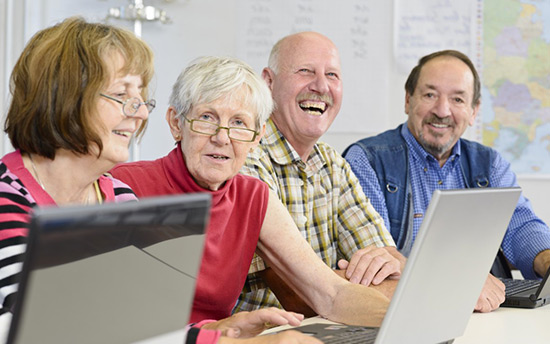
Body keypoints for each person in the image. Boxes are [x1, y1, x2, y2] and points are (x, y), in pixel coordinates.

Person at [110, 56, 395, 343]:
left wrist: (407, 321)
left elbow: (331, 293)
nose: (222, 138)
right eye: (207, 118)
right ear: (176, 124)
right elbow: (111, 321)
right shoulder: (124, 185)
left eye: (239, 123)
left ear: (256, 137)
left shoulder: (253, 197)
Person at [343, 49, 550, 313]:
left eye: (458, 99)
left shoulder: (489, 164)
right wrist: (459, 280)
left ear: (474, 111)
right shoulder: (367, 161)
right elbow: (377, 260)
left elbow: (522, 226)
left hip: (486, 313)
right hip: (407, 313)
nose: (442, 111)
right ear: (408, 100)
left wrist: (546, 259)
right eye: (430, 95)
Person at [234, 32, 405, 315]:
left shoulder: (332, 163)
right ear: (268, 82)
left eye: (332, 75)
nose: (321, 86)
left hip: (328, 328)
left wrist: (382, 273)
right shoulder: (244, 156)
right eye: (305, 71)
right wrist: (363, 287)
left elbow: (388, 265)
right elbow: (299, 296)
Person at [0, 17, 153, 331]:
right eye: (122, 95)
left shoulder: (122, 200)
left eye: (140, 97)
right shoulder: (7, 200)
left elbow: (146, 319)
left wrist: (221, 332)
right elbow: (47, 330)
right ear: (66, 97)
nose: (140, 112)